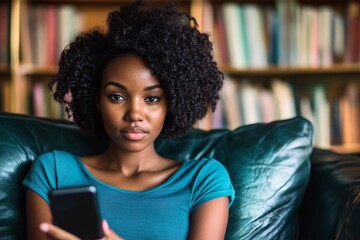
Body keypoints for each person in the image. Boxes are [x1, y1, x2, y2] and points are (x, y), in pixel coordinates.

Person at [22, 1, 235, 239]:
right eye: (117, 96)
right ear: (96, 100)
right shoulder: (54, 171)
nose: (134, 114)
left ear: (171, 103)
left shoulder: (203, 179)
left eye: (152, 98)